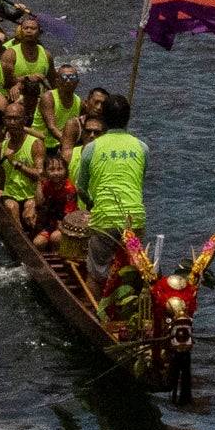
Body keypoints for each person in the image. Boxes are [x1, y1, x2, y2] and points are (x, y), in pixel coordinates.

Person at [70, 88, 151, 304]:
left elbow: (81, 188)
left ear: (104, 119)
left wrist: (91, 203)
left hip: (104, 218)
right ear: (128, 118)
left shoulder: (91, 149)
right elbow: (139, 181)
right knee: (132, 273)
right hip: (134, 218)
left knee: (97, 274)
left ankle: (94, 313)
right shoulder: (142, 148)